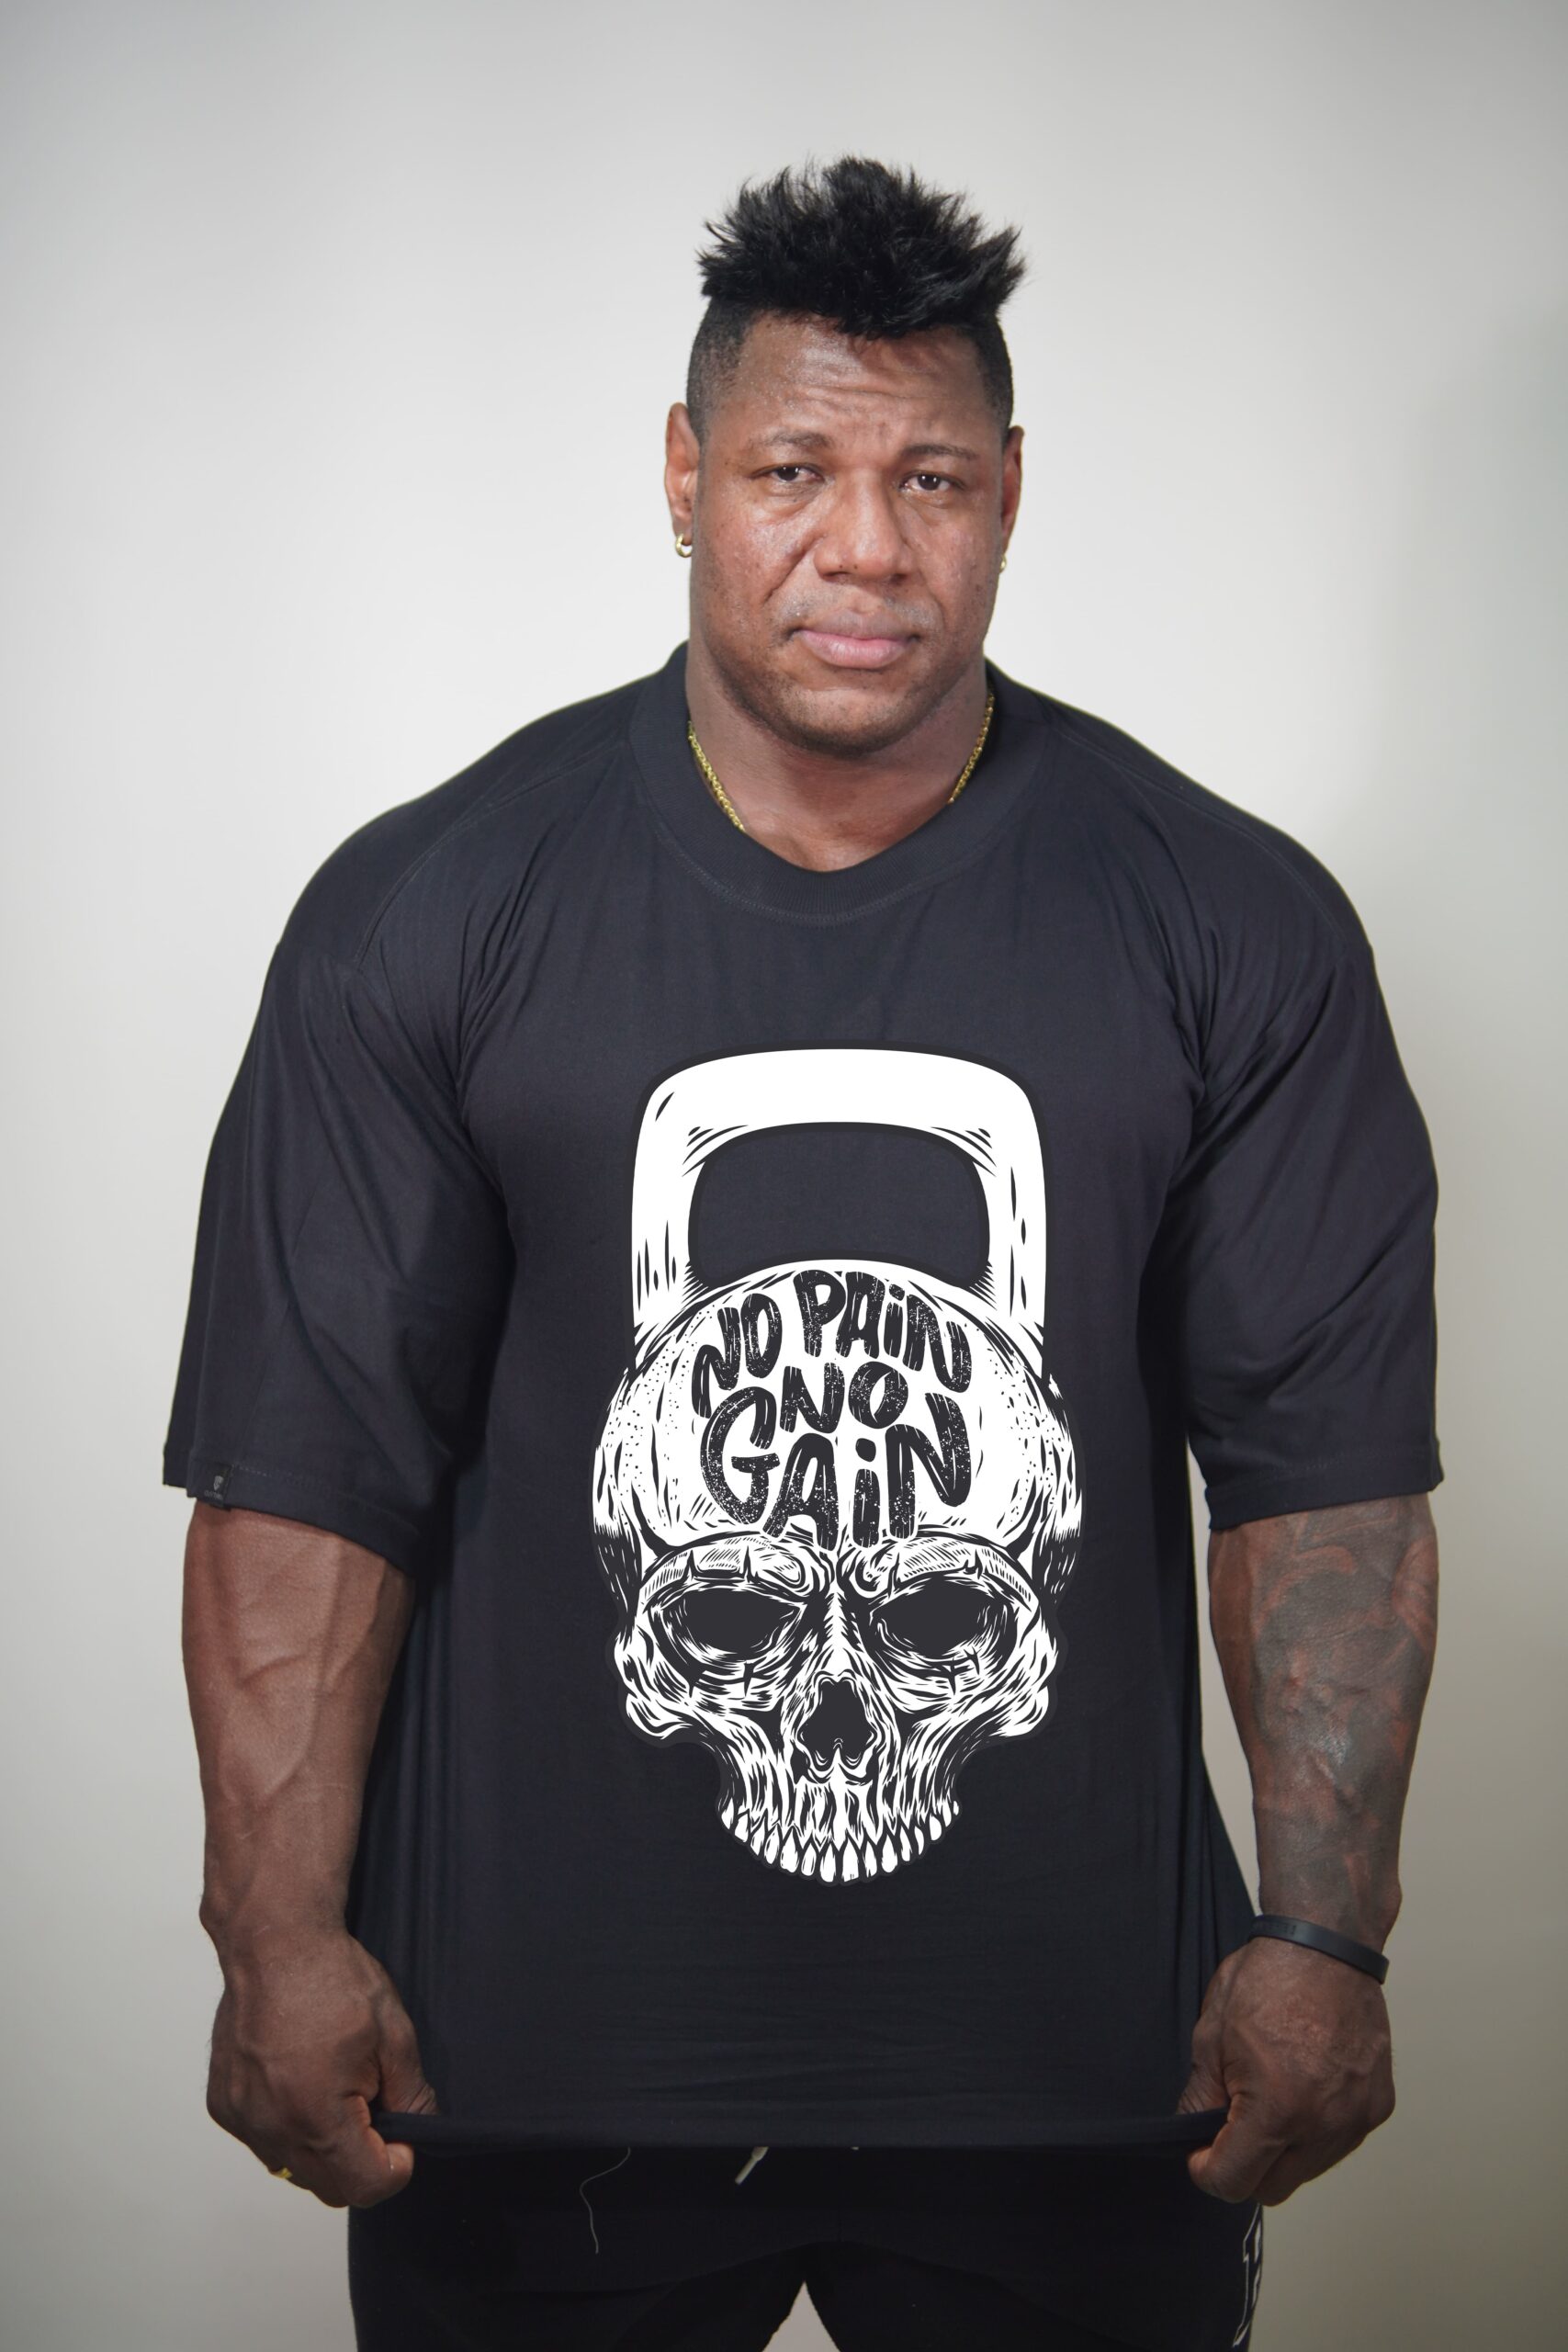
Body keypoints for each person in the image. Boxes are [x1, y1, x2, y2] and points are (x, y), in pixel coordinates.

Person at [167, 157, 1441, 2352]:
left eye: (927, 477)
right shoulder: (431, 908)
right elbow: (308, 1472)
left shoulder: (1230, 923)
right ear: (682, 475)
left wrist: (1322, 1938)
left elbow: (1317, 1480)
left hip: (1084, 2074)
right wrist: (273, 1932)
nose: (863, 545)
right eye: (790, 471)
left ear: (1008, 490)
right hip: (521, 2071)